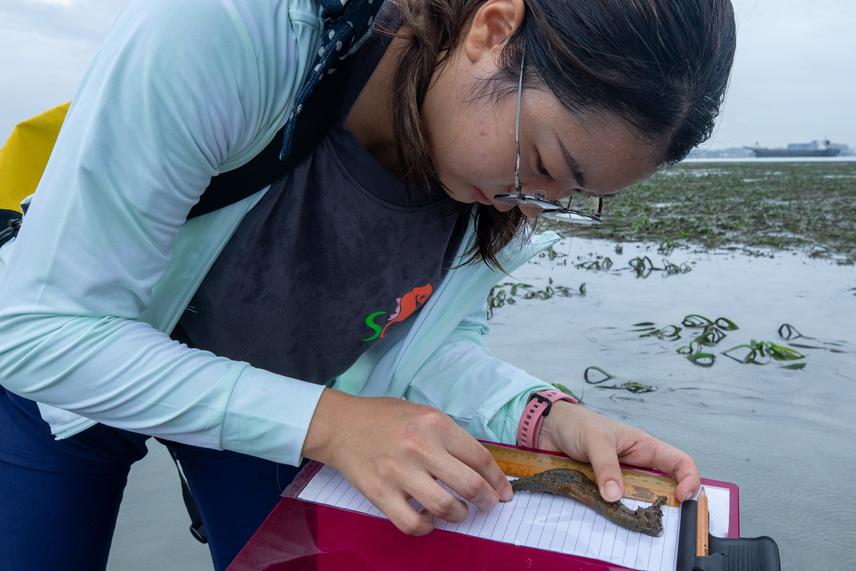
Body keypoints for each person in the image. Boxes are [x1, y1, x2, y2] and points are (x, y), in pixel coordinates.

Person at [0, 0, 736, 569]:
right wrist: (329, 423)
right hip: (72, 364)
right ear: (492, 29)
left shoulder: (493, 180)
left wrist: (543, 418)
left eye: (564, 195)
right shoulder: (233, 30)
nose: (525, 203)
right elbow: (39, 330)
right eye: (543, 161)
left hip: (275, 390)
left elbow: (421, 349)